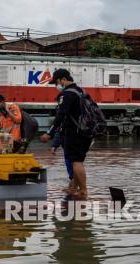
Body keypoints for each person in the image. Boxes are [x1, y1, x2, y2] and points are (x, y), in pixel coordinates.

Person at [40, 69, 93, 199]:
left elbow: (61, 115)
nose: (56, 85)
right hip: (86, 132)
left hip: (74, 132)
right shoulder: (81, 91)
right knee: (76, 160)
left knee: (76, 161)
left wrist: (50, 133)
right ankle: (74, 187)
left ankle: (84, 191)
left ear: (62, 79)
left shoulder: (67, 94)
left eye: (56, 82)